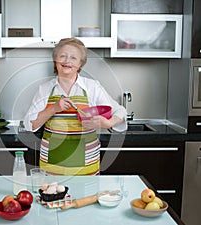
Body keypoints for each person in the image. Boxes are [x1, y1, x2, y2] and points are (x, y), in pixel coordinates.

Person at [23, 38, 127, 176]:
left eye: (73, 57)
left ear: (80, 63)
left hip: (86, 166)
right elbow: (29, 124)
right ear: (56, 60)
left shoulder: (92, 87)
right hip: (52, 168)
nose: (67, 61)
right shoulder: (45, 89)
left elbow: (120, 111)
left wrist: (108, 122)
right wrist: (53, 108)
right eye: (62, 56)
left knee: (87, 198)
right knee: (53, 197)